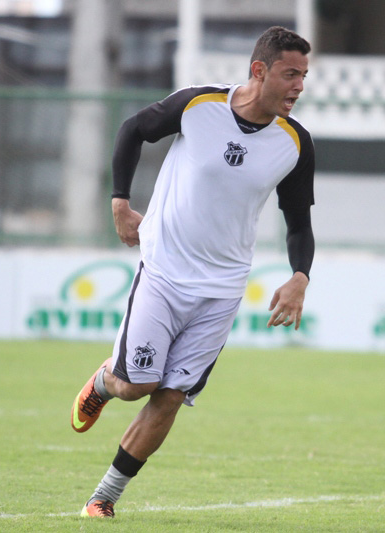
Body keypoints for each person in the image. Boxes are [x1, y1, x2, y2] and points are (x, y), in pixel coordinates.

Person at [70, 26, 315, 517]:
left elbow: (299, 224)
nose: (299, 86)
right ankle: (103, 382)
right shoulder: (198, 105)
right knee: (134, 385)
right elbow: (132, 130)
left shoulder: (296, 144)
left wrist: (299, 276)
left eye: (304, 76)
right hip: (163, 271)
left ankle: (104, 498)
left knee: (171, 395)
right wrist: (120, 203)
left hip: (221, 291)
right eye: (290, 74)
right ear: (258, 70)